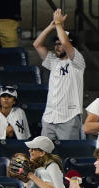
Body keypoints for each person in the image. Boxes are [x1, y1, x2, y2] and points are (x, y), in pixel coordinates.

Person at [33, 9, 85, 141]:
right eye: (55, 44)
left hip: (69, 117)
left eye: (60, 44)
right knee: (44, 157)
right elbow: (37, 44)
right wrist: (52, 26)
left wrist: (59, 24)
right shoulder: (53, 61)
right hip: (49, 117)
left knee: (68, 156)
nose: (57, 47)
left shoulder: (77, 61)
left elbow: (66, 43)